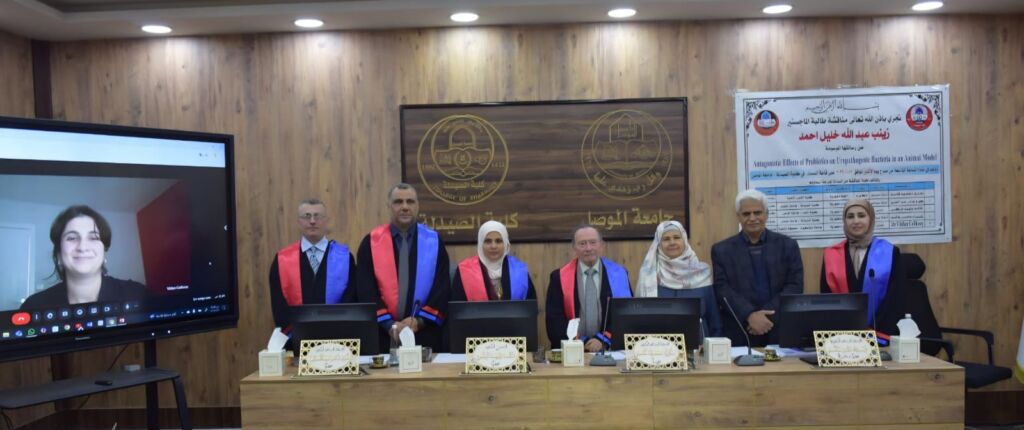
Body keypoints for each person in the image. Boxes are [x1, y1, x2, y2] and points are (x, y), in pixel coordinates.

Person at [357, 183, 450, 352]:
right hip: (382, 335)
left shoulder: (434, 242)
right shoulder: (370, 243)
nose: (405, 207)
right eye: (398, 202)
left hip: (424, 334)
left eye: (410, 202)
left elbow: (442, 288)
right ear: (389, 206)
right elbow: (365, 290)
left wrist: (419, 322)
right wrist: (389, 324)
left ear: (418, 206)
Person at [711, 190, 803, 347]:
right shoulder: (721, 250)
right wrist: (749, 315)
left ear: (766, 214)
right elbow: (722, 289)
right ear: (738, 217)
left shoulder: (788, 246)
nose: (752, 218)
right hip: (741, 330)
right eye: (746, 214)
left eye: (757, 212)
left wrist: (765, 317)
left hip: (779, 328)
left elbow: (795, 286)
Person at [21, 205, 146, 310]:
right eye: (72, 238)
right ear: (58, 255)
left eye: (93, 237)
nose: (83, 247)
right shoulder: (33, 306)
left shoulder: (138, 294)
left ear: (104, 253)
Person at [820, 198, 906, 338]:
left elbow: (896, 298)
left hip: (880, 332)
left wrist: (875, 329)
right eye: (850, 216)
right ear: (844, 221)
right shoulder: (831, 254)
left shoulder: (890, 252)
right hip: (842, 335)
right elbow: (826, 299)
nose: (856, 221)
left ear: (870, 219)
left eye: (861, 215)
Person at [267, 199, 357, 328]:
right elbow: (279, 307)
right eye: (307, 216)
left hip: (337, 335)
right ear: (298, 222)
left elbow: (352, 300)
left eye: (317, 216)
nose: (312, 221)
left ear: (326, 221)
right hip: (295, 335)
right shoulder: (282, 260)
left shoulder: (345, 258)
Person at [545, 224, 631, 352]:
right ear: (574, 247)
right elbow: (554, 320)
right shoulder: (559, 277)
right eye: (582, 243)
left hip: (609, 350)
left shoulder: (619, 274)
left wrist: (602, 340)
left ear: (601, 245)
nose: (588, 248)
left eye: (593, 242)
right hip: (572, 350)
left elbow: (625, 314)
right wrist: (582, 341)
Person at [636, 220, 723, 337]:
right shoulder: (649, 274)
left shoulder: (702, 273)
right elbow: (640, 319)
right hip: (660, 343)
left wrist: (715, 345)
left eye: (676, 237)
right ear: (658, 244)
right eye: (666, 239)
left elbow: (714, 319)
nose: (672, 242)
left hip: (699, 343)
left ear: (684, 240)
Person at [451, 220, 536, 302]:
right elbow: (457, 308)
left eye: (498, 241)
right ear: (480, 244)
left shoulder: (519, 270)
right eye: (488, 241)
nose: (493, 246)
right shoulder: (465, 270)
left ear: (505, 243)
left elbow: (530, 305)